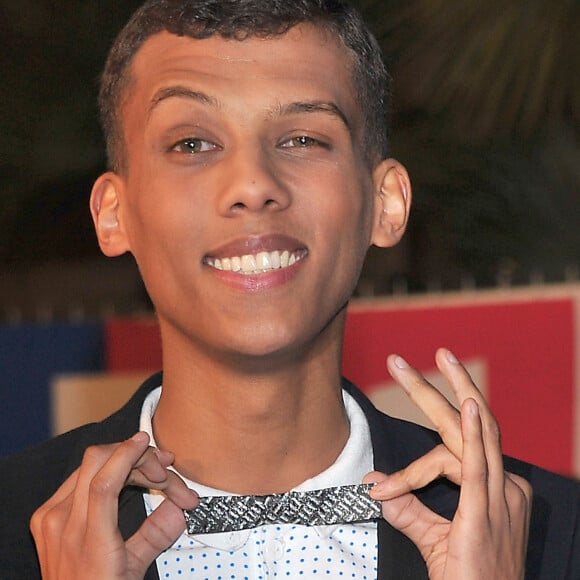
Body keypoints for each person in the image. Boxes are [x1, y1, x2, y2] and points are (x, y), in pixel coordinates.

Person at [1, 0, 578, 578]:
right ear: (113, 214)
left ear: (385, 204)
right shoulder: (14, 524)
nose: (253, 185)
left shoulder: (555, 539)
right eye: (193, 144)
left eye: (302, 139)